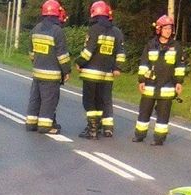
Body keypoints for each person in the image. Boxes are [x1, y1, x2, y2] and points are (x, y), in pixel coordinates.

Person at [132, 15, 185, 146]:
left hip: (167, 86)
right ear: (159, 29)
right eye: (166, 28)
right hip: (150, 85)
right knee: (144, 112)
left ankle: (159, 139)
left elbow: (179, 66)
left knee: (163, 115)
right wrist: (141, 80)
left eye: (170, 28)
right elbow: (144, 64)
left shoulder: (176, 47)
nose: (168, 31)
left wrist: (179, 82)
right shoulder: (151, 45)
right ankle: (140, 135)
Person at [75, 1, 125, 139]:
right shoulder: (117, 32)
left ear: (94, 13)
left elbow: (88, 51)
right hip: (107, 75)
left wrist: (79, 62)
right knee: (102, 101)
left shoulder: (94, 29)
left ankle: (92, 130)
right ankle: (102, 129)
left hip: (91, 73)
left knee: (89, 102)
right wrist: (117, 67)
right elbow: (121, 53)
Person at [25, 0, 71, 134]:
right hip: (51, 75)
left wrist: (37, 63)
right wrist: (66, 71)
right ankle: (45, 126)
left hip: (37, 72)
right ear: (57, 14)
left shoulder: (35, 29)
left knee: (35, 98)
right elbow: (62, 55)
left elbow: (31, 53)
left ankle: (31, 123)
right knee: (48, 101)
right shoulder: (57, 31)